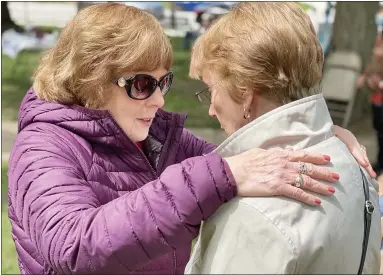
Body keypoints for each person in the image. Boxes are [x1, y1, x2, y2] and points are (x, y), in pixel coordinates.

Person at [7, 3, 374, 275]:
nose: (160, 99)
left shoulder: (152, 135)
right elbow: (72, 246)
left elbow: (243, 161)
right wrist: (223, 176)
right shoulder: (43, 145)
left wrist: (315, 132)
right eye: (142, 84)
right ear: (91, 78)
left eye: (163, 82)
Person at [185, 2, 381, 274]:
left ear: (245, 92)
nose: (209, 108)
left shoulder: (252, 216)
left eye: (211, 90)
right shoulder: (350, 159)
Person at [357, 9, 383, 176]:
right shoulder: (378, 41)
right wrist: (365, 77)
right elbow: (373, 64)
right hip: (377, 96)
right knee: (379, 130)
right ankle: (380, 161)